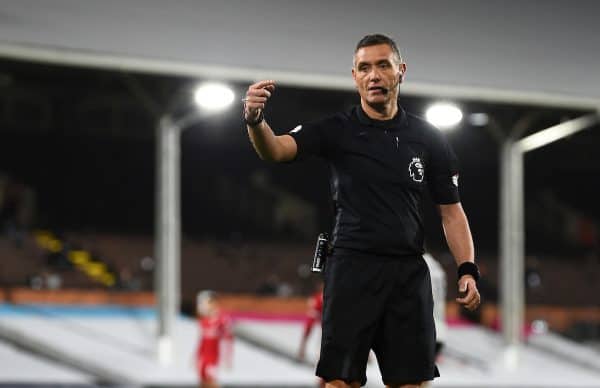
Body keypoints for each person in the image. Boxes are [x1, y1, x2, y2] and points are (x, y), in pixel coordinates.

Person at [243, 34, 480, 388]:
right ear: (354, 76)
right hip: (351, 269)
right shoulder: (336, 130)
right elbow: (275, 150)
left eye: (383, 65)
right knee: (339, 382)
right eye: (364, 68)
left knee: (414, 383)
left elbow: (451, 212)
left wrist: (467, 269)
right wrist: (255, 119)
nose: (374, 75)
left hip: (408, 275)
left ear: (400, 71)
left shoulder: (428, 138)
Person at [195, 290, 233, 388]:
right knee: (202, 381)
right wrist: (196, 355)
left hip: (213, 355)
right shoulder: (204, 320)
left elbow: (228, 338)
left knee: (211, 380)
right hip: (203, 354)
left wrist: (228, 358)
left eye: (209, 302)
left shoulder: (221, 319)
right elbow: (202, 340)